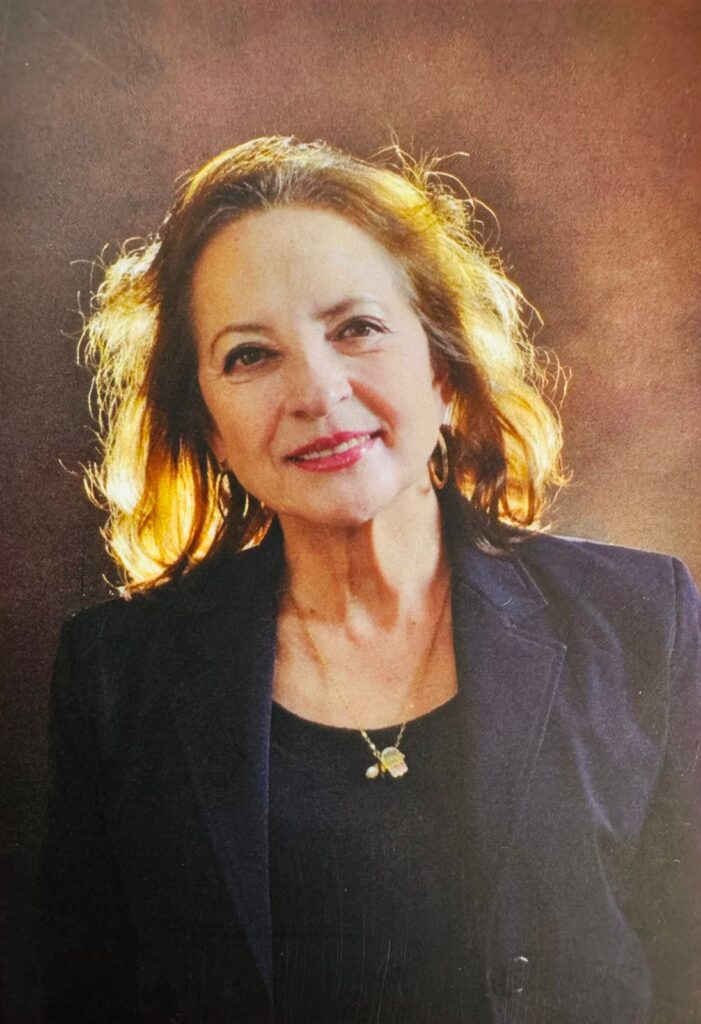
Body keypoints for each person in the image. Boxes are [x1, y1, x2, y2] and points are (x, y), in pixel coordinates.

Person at [34, 136, 700, 1024]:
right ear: (209, 428)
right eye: (249, 355)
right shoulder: (114, 673)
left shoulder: (642, 619)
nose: (317, 392)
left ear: (441, 369)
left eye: (356, 329)